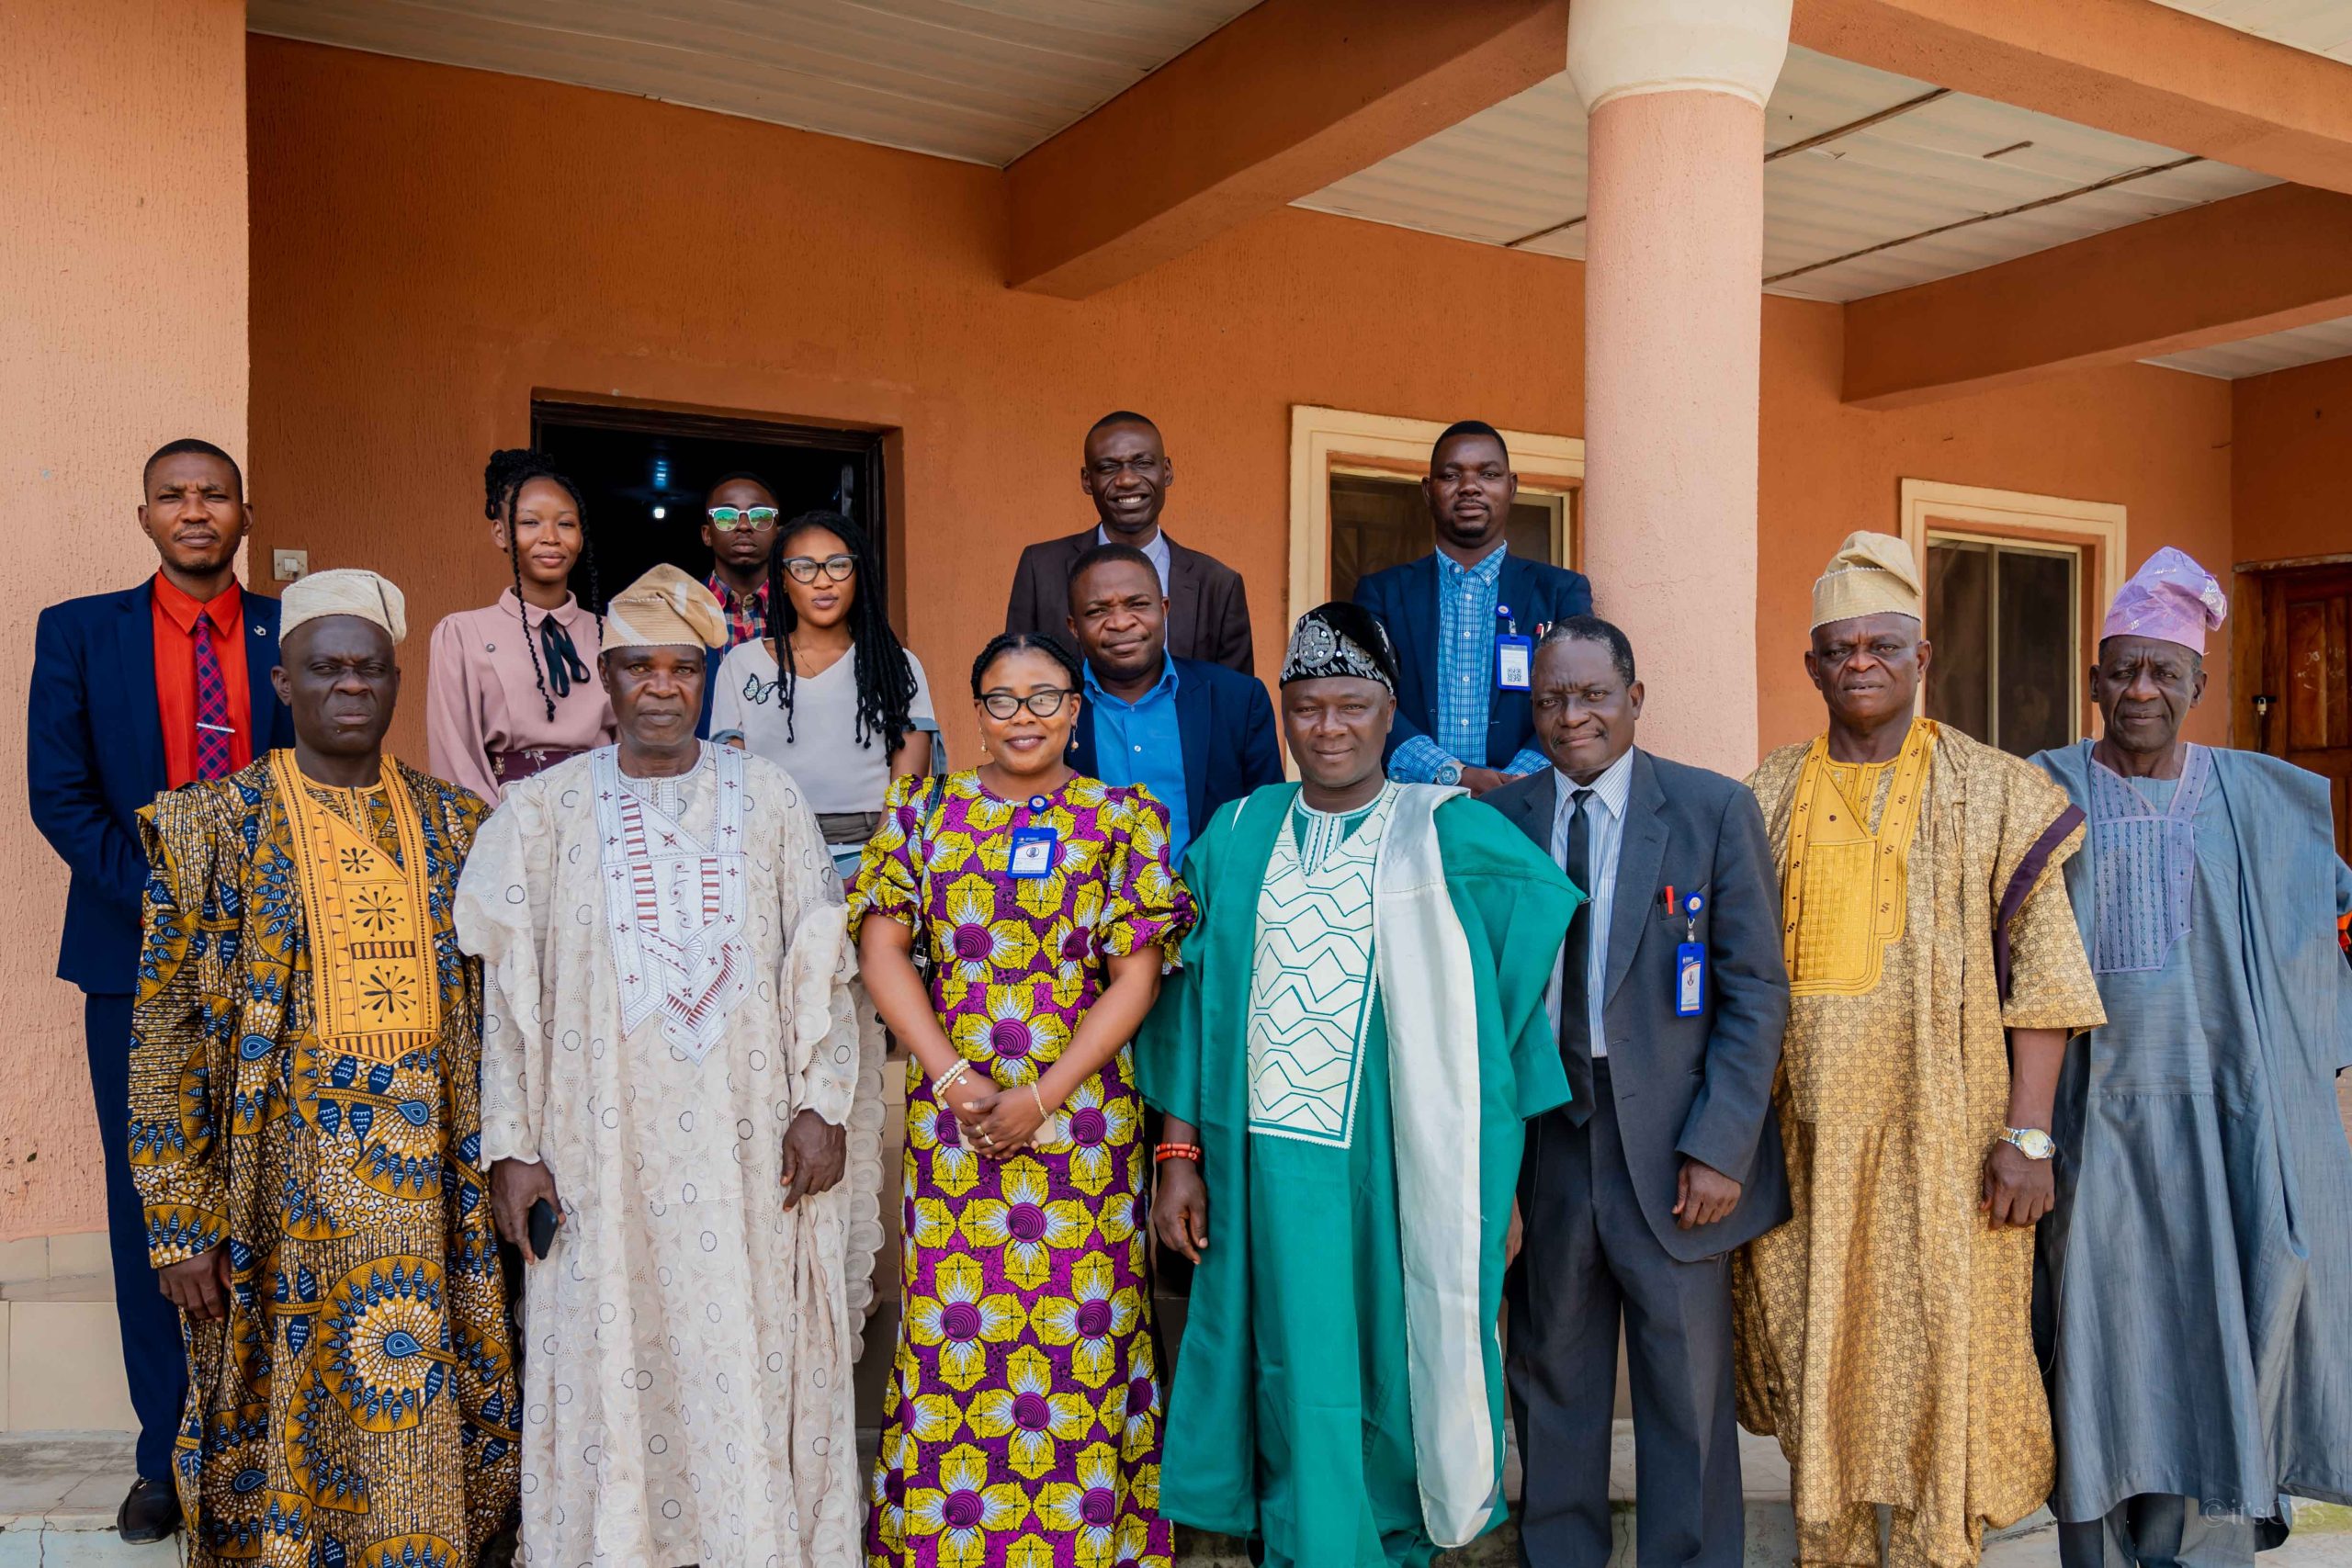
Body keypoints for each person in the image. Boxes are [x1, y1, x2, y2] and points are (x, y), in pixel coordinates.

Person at [455, 564, 888, 1567]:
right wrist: (512, 1147)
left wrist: (821, 1107)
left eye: (681, 668)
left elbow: (821, 967)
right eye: (637, 666)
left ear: (708, 679)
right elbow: (509, 1004)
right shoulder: (541, 813)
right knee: (609, 1341)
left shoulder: (769, 799)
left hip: (751, 1162)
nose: (659, 686)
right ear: (603, 679)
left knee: (745, 1345)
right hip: (596, 1155)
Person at [1138, 603, 1582, 1568]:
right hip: (1262, 1166)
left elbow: (1508, 1029)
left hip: (1394, 1164)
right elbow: (1191, 1001)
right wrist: (1178, 1154)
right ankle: (1304, 1543)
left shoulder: (1447, 834)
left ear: (1389, 715)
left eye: (1350, 707)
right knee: (1284, 1366)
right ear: (1285, 717)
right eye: (1306, 709)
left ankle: (1382, 1545)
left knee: (1389, 1360)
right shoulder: (1239, 830)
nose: (1327, 729)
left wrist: (1494, 1187)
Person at [128, 569, 519, 1566]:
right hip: (274, 1213)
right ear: (283, 681)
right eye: (325, 669)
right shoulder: (209, 827)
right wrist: (178, 1218)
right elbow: (164, 1032)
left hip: (437, 1206)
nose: (350, 687)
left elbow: (514, 1018)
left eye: (370, 669)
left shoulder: (460, 827)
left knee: (433, 1437)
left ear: (396, 681)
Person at [1733, 531, 2107, 1568]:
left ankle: (1941, 1549)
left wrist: (2027, 1138)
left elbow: (2046, 977)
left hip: (1951, 1149)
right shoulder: (1760, 795)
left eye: (1881, 645)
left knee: (1946, 1359)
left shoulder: (1994, 791)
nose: (1860, 663)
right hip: (1804, 1154)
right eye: (1839, 647)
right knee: (1824, 1363)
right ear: (1810, 664)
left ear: (1922, 657)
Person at [2030, 547, 2352, 1568]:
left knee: (2225, 1333)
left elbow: (2330, 921)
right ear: (2092, 681)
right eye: (2121, 669)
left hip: (2230, 1126)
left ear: (2199, 688)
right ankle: (2095, 1545)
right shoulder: (2038, 790)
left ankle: (2202, 1548)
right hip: (2088, 1124)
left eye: (2163, 673)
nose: (2140, 690)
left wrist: (2304, 1063)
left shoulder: (2263, 799)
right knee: (2093, 1342)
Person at [852, 632, 1192, 1568]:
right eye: (1002, 700)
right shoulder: (921, 817)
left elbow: (1139, 974)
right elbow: (882, 951)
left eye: (1045, 699)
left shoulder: (1124, 819)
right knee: (953, 1336)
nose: (1025, 718)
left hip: (1080, 1128)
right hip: (956, 1127)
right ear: (977, 712)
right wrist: (954, 1078)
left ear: (1076, 710)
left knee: (1085, 1340)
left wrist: (1043, 1094)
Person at [27, 437, 296, 1545]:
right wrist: (171, 908)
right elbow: (61, 794)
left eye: (214, 494)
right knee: (155, 1208)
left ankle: (274, 1447)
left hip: (281, 965)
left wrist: (262, 912)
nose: (195, 511)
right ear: (143, 515)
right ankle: (161, 1459)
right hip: (132, 961)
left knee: (279, 1197)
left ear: (242, 511)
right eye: (175, 496)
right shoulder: (80, 632)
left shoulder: (294, 632)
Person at [1487, 617, 1790, 1568]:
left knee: (1682, 1395)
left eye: (1590, 696)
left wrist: (1720, 1146)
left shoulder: (1709, 811)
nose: (1570, 716)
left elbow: (1754, 992)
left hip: (1675, 1153)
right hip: (1549, 1142)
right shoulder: (1501, 823)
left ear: (1634, 700)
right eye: (1549, 700)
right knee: (1554, 1384)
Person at [1352, 421, 1593, 795]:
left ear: (1511, 487)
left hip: (1532, 807)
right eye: (1451, 475)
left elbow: (1579, 695)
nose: (1469, 487)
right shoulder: (1382, 593)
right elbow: (1366, 697)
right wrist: (1452, 774)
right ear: (1428, 491)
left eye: (1488, 474)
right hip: (1410, 804)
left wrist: (1516, 783)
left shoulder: (1561, 592)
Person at [710, 508, 935, 875]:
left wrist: (874, 869)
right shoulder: (741, 664)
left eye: (838, 565)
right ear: (782, 580)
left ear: (857, 574)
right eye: (803, 567)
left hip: (872, 844)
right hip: (769, 848)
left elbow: (907, 790)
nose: (822, 581)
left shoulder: (895, 663)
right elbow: (733, 780)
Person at [1064, 540, 1283, 866]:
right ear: (1074, 627)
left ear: (1164, 609)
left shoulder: (1236, 700)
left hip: (1207, 913)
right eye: (1098, 611)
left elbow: (1267, 825)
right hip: (1088, 912)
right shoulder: (1050, 708)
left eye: (1137, 604)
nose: (1121, 622)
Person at [426, 447, 615, 802]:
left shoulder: (611, 634)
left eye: (566, 523)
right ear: (500, 533)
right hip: (502, 821)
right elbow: (455, 760)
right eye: (530, 522)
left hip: (601, 817)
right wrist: (502, 833)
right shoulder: (462, 635)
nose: (551, 537)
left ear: (581, 535)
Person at [1004, 411, 1255, 672]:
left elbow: (1236, 702)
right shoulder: (1040, 569)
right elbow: (1015, 677)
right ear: (1087, 480)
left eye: (1143, 463)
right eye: (1108, 468)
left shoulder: (1219, 585)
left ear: (1167, 471)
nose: (1127, 480)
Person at [704, 470, 781, 649]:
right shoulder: (683, 607)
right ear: (707, 535)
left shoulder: (799, 609)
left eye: (760, 516)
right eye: (726, 516)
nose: (744, 526)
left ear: (777, 535)